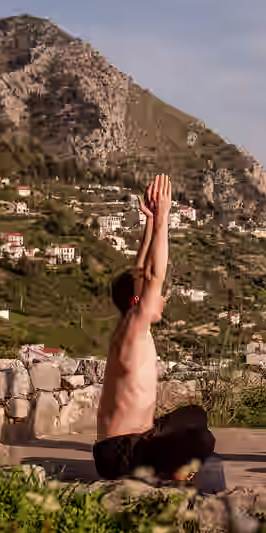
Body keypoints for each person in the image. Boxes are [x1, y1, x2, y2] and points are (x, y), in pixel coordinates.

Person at [93, 174, 216, 481]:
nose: (162, 297)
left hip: (134, 438)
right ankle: (169, 472)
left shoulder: (129, 324)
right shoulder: (135, 327)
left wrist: (148, 224)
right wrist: (163, 219)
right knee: (203, 441)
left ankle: (163, 462)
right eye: (156, 295)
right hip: (120, 454)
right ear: (139, 301)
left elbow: (140, 271)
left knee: (195, 416)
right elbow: (155, 275)